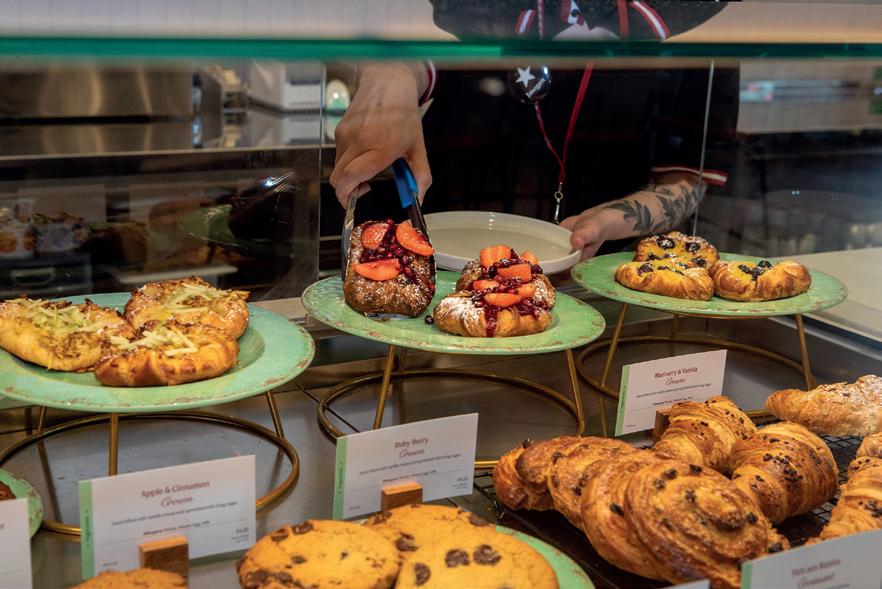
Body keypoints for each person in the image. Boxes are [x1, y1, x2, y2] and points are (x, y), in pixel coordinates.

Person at [330, 1, 737, 260]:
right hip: (438, 246)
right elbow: (417, 46)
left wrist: (610, 220)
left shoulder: (697, 15)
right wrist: (390, 73)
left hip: (598, 273)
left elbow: (690, 176)